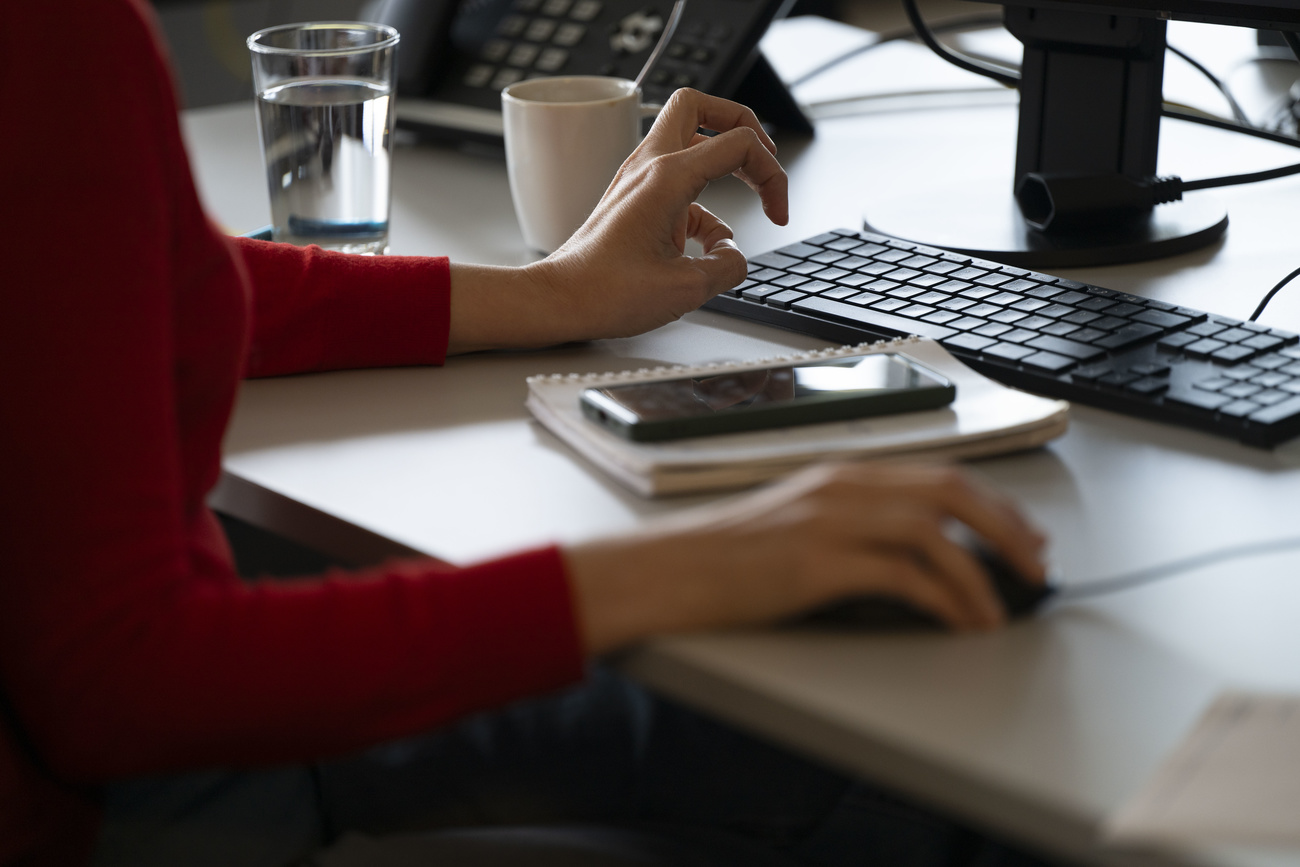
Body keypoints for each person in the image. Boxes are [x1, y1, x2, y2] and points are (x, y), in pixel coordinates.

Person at [0, 1, 1050, 866]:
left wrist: (550, 295)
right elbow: (119, 681)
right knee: (911, 767)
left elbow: (121, 277)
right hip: (121, 812)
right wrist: (693, 564)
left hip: (138, 758)